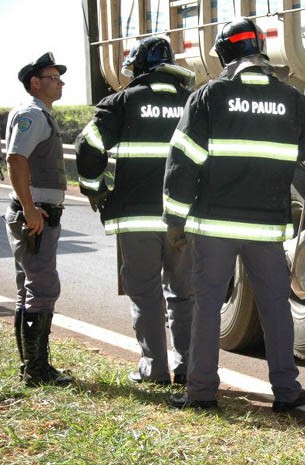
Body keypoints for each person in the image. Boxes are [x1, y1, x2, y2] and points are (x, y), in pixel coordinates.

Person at [164, 17, 305, 412]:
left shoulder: (207, 97)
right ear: (261, 51)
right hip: (266, 228)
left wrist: (175, 220)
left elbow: (182, 163)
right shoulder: (292, 100)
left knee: (207, 304)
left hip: (215, 227)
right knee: (275, 305)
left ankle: (202, 392)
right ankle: (288, 392)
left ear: (225, 54)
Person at [75, 37, 195, 385]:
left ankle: (154, 368)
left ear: (138, 68)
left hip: (135, 218)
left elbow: (89, 146)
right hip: (182, 217)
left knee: (145, 292)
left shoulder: (122, 102)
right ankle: (187, 366)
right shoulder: (192, 103)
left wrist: (95, 188)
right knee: (184, 292)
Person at [4, 52, 73, 386]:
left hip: (38, 213)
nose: (59, 82)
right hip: (36, 215)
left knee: (29, 290)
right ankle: (36, 371)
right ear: (35, 82)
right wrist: (30, 209)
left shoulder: (42, 114)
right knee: (42, 288)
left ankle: (31, 368)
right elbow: (16, 160)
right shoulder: (32, 113)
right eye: (53, 77)